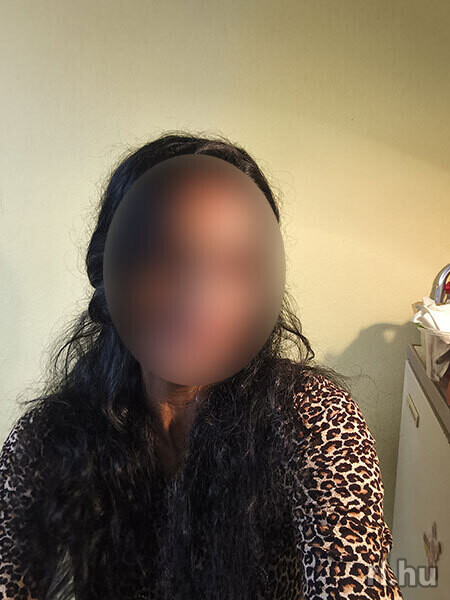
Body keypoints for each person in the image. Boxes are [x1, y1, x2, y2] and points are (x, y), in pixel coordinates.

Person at [0, 132, 404, 600]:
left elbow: (355, 574)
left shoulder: (312, 419)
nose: (200, 300)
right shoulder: (47, 439)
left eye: (235, 267)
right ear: (108, 269)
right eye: (166, 259)